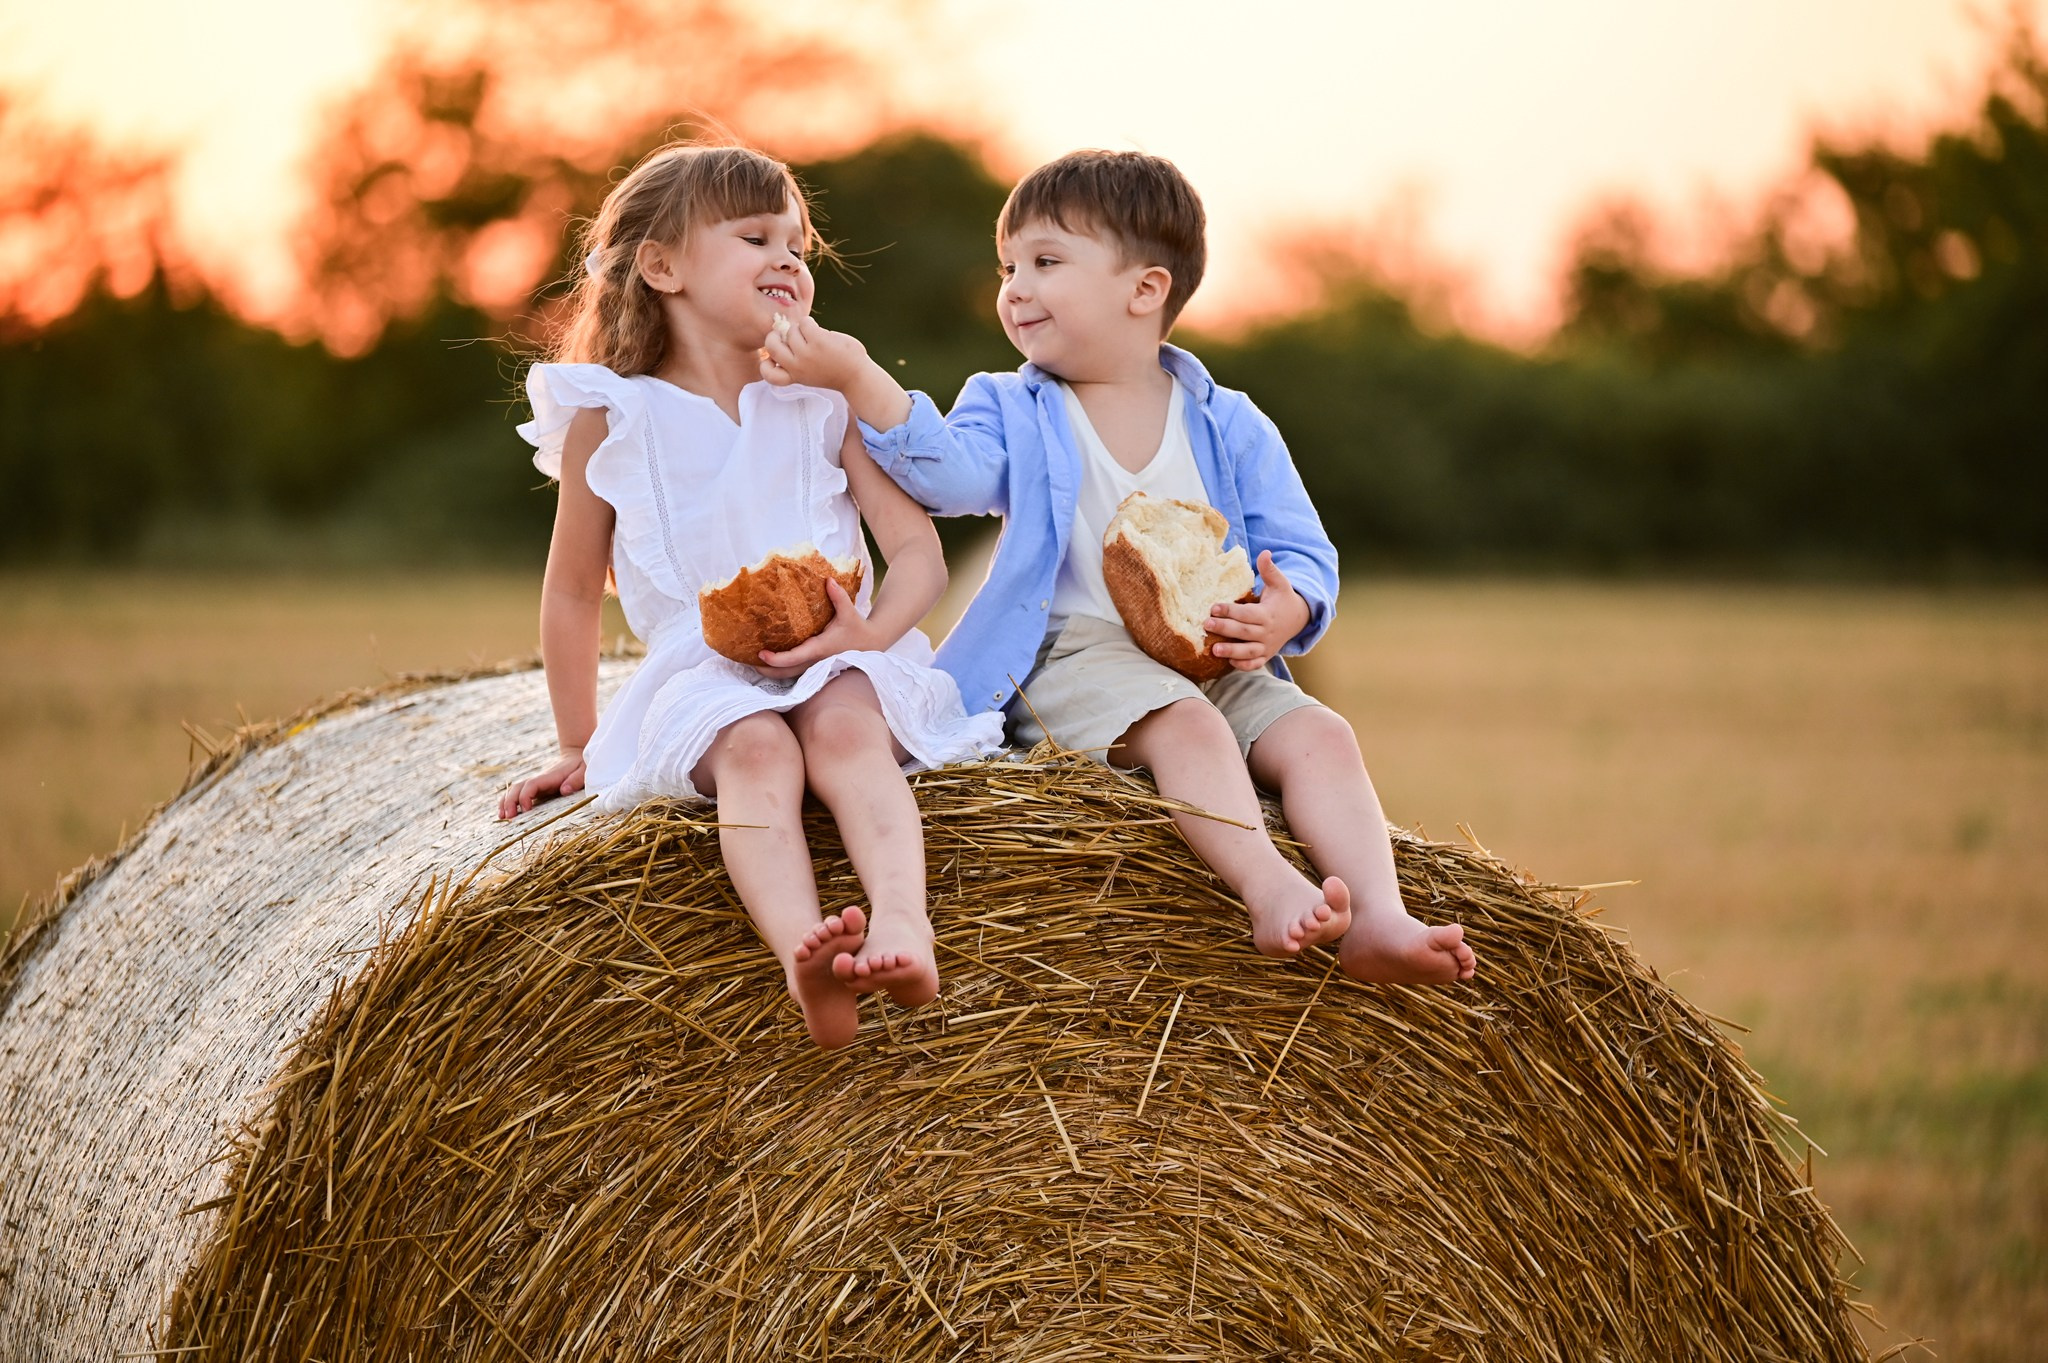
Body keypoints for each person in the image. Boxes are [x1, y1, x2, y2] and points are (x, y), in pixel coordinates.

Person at [762, 150, 1476, 985]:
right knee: (1188, 726)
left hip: (1215, 654)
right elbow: (946, 477)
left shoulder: (1231, 421)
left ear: (1145, 289)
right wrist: (859, 377)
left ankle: (1379, 916)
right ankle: (1270, 887)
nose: (1015, 288)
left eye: (1046, 262)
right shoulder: (1013, 404)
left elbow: (1304, 551)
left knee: (1322, 733)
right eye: (1008, 267)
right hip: (1072, 653)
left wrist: (1289, 610)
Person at [498, 142, 1004, 1048]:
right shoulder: (612, 418)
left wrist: (871, 634)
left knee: (844, 731)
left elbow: (918, 556)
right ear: (662, 267)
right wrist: (578, 742)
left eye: (797, 247)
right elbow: (572, 592)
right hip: (704, 675)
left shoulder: (823, 401)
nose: (787, 260)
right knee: (757, 747)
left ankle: (902, 920)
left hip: (842, 651)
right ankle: (803, 956)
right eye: (756, 238)